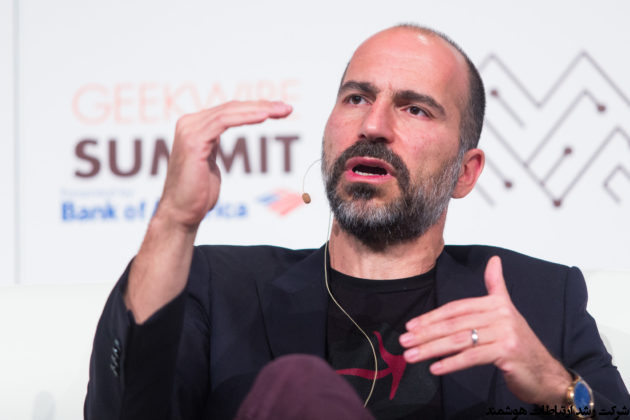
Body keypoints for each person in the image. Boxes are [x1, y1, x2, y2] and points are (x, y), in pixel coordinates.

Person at [85, 24, 629, 419]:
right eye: (356, 98)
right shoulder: (218, 287)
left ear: (466, 173)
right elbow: (125, 411)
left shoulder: (540, 301)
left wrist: (558, 388)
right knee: (298, 387)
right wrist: (174, 222)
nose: (373, 124)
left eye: (415, 108)